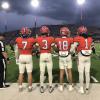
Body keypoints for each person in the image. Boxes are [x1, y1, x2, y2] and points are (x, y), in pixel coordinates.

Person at [72, 26, 93, 94]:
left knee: (81, 73)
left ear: (79, 32)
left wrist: (71, 53)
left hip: (81, 57)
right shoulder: (90, 38)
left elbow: (73, 48)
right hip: (88, 57)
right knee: (87, 73)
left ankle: (81, 88)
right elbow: (92, 48)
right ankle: (87, 88)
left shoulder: (77, 38)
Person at [15, 27, 36, 92]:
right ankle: (29, 87)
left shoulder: (18, 39)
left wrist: (17, 58)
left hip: (21, 56)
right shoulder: (32, 39)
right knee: (29, 73)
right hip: (28, 56)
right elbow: (34, 47)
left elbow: (18, 50)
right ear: (28, 33)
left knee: (21, 73)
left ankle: (20, 87)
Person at [35, 26, 54, 93]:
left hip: (42, 55)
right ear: (47, 32)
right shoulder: (51, 38)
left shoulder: (38, 38)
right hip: (48, 55)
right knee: (50, 72)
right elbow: (53, 47)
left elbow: (36, 47)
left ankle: (42, 87)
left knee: (42, 72)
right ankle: (50, 86)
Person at [55, 27, 74, 92]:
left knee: (61, 72)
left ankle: (61, 86)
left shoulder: (57, 39)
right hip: (68, 56)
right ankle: (70, 86)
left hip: (61, 56)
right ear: (66, 33)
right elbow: (72, 49)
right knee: (69, 71)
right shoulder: (70, 39)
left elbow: (56, 49)